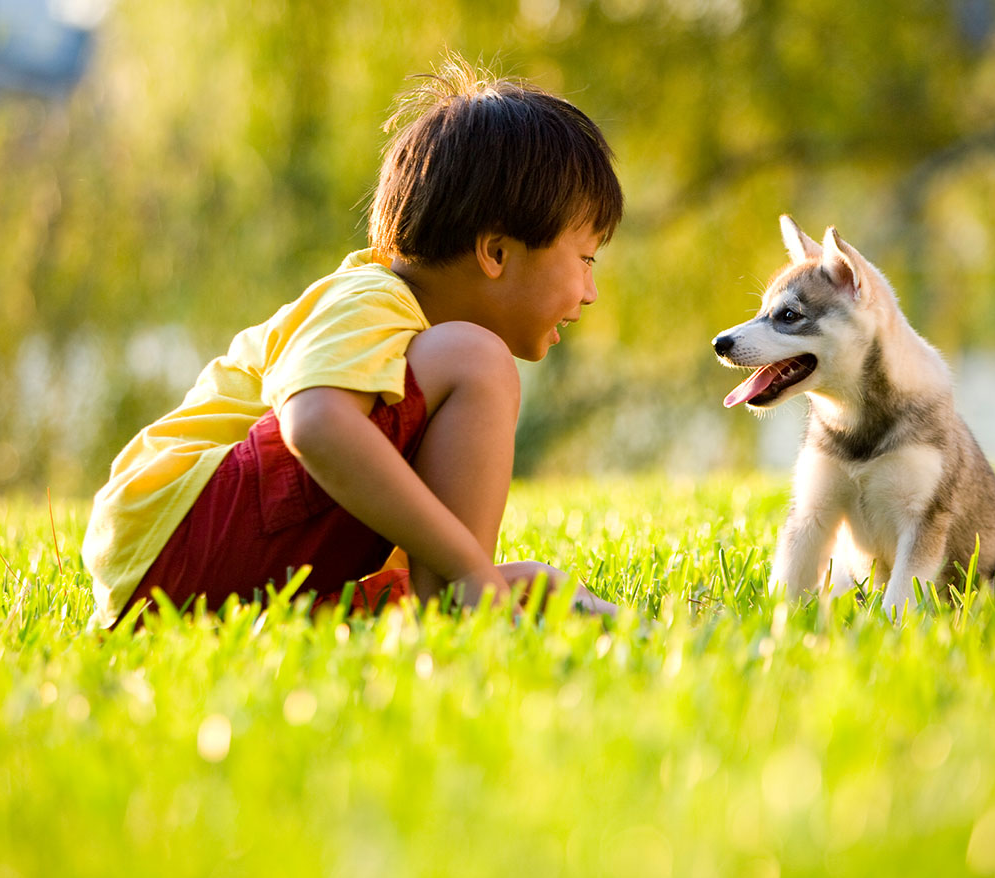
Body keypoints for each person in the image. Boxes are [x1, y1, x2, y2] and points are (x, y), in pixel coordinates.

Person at [82, 54, 624, 629]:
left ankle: (461, 610)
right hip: (177, 541)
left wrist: (486, 578)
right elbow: (313, 423)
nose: (590, 292)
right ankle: (467, 608)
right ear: (495, 253)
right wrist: (472, 572)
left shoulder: (415, 367)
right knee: (479, 359)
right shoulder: (374, 298)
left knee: (508, 580)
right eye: (585, 259)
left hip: (189, 585)